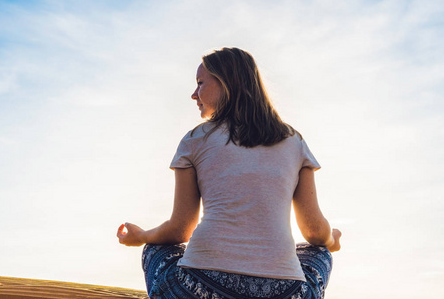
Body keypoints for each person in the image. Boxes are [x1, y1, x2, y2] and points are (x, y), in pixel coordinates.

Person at [117, 47, 342, 299]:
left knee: (155, 250)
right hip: (283, 293)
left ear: (226, 83)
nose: (194, 94)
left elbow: (180, 230)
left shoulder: (195, 139)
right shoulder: (293, 141)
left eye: (200, 83)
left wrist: (142, 236)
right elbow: (314, 231)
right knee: (319, 252)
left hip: (198, 287)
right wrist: (332, 240)